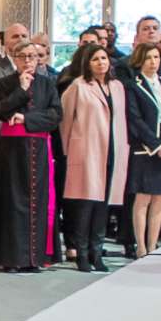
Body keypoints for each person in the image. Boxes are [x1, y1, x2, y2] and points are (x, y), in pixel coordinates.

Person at [57, 40, 129, 272]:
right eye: (96, 59)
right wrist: (69, 151)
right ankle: (82, 253)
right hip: (86, 151)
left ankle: (97, 252)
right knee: (85, 205)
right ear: (87, 63)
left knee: (103, 205)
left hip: (112, 151)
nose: (101, 63)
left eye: (104, 58)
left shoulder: (117, 87)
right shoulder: (78, 86)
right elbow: (65, 121)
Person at [0, 37, 59, 271]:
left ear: (39, 59)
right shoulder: (4, 83)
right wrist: (22, 89)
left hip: (39, 151)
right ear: (15, 59)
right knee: (13, 202)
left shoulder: (48, 84)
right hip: (12, 152)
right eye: (23, 57)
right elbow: (0, 110)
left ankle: (34, 258)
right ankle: (12, 259)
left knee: (37, 203)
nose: (28, 61)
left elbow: (55, 115)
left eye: (32, 56)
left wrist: (26, 119)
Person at [122, 39, 161, 258]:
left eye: (156, 57)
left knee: (159, 199)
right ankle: (141, 247)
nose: (153, 62)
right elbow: (135, 119)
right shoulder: (133, 85)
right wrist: (156, 145)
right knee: (143, 198)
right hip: (146, 149)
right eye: (148, 58)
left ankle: (153, 245)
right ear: (140, 60)